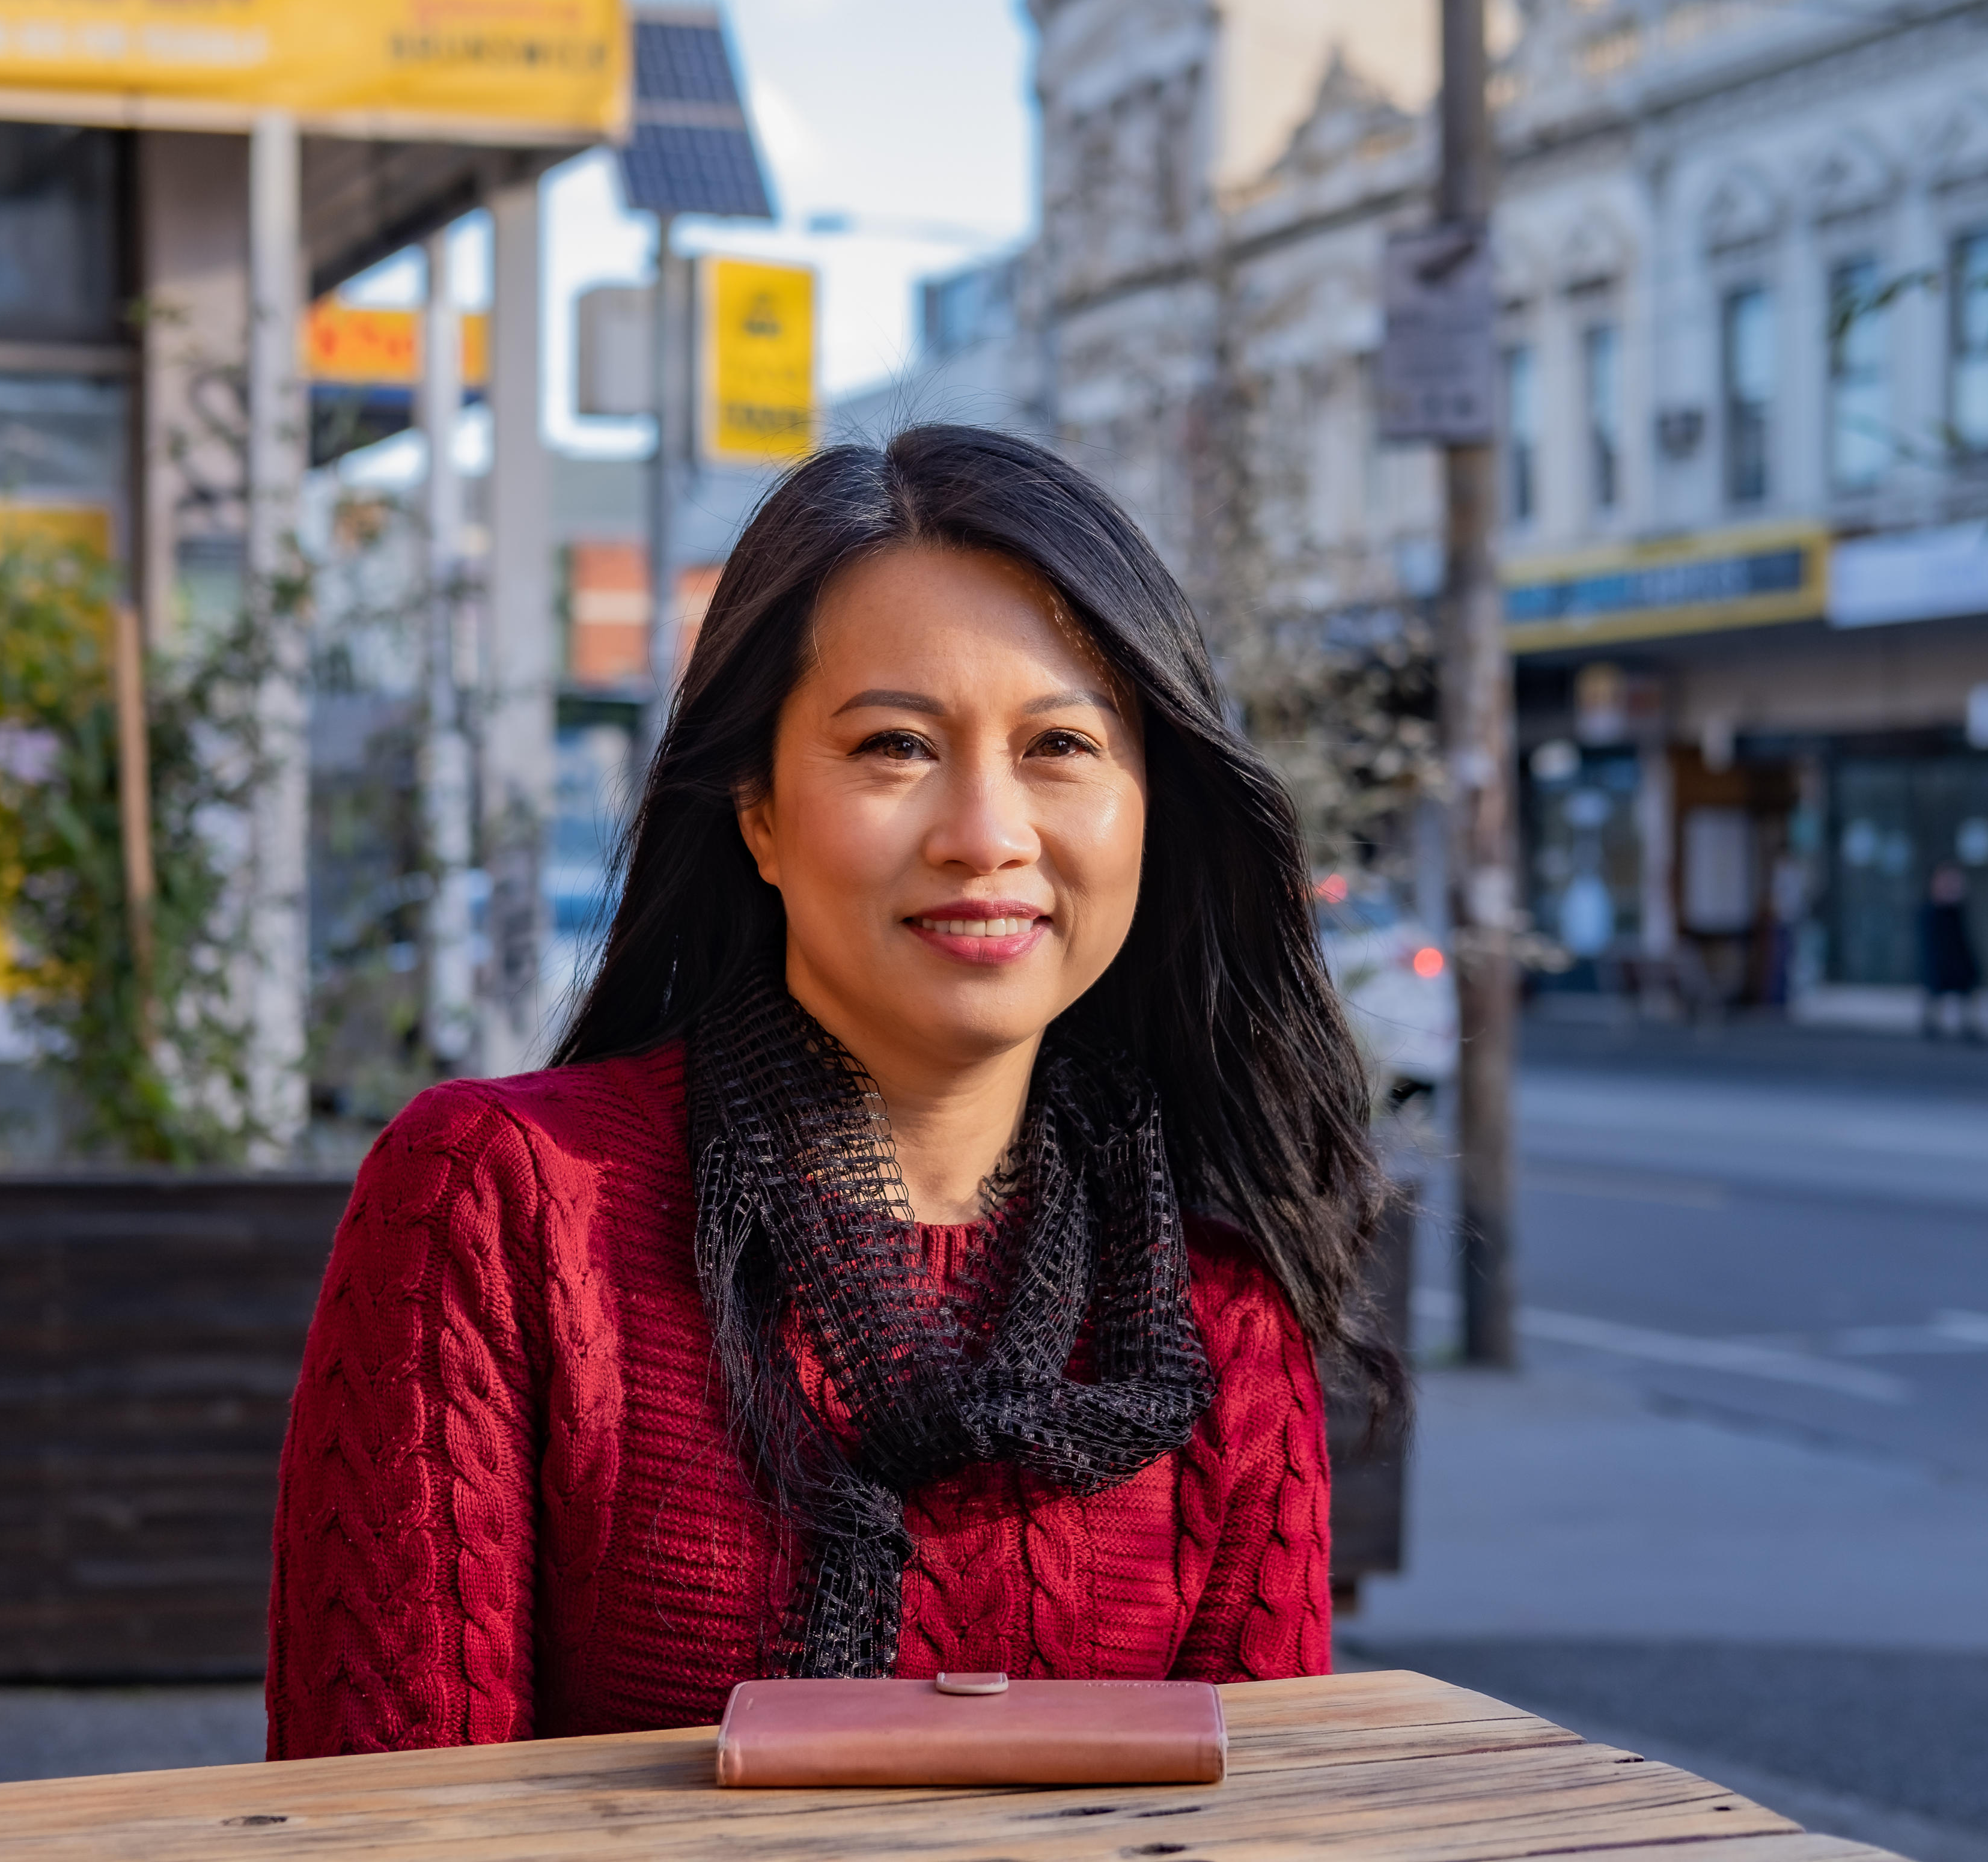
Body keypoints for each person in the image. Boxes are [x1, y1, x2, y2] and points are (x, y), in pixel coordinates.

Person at [266, 426, 1401, 1758]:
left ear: (1151, 802)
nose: (985, 833)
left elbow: (1267, 1838)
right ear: (756, 807)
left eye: (1059, 744)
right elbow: (390, 1830)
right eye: (895, 746)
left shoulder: (1216, 1319)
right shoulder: (505, 1211)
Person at [1918, 860, 1981, 1040]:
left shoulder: (1957, 911)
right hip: (1940, 960)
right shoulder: (1932, 911)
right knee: (1936, 992)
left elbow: (1964, 938)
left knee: (1965, 992)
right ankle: (1931, 1023)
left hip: (1957, 959)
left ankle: (1967, 1024)